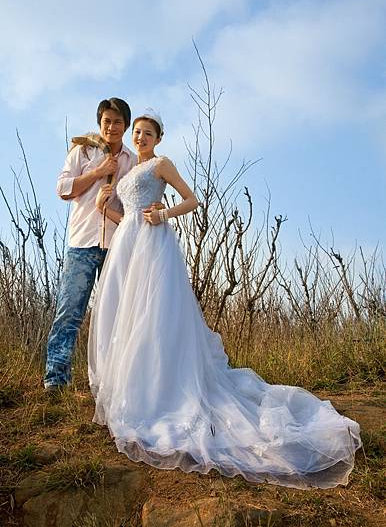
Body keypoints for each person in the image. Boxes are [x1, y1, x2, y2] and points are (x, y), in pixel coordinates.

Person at [88, 108, 361, 489]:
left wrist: (164, 213)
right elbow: (127, 216)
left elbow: (192, 200)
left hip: (153, 247)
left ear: (158, 137)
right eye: (137, 132)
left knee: (153, 319)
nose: (140, 137)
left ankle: (159, 391)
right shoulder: (130, 169)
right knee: (127, 318)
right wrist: (105, 208)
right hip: (127, 248)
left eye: (147, 132)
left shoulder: (161, 165)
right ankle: (134, 388)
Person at [44, 97, 137, 392]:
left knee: (116, 315)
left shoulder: (132, 161)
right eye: (107, 121)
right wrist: (97, 172)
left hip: (116, 245)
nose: (112, 126)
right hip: (82, 243)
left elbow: (132, 205)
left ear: (126, 125)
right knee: (70, 311)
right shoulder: (83, 150)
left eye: (118, 121)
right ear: (100, 122)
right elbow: (62, 189)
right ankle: (55, 380)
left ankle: (112, 383)